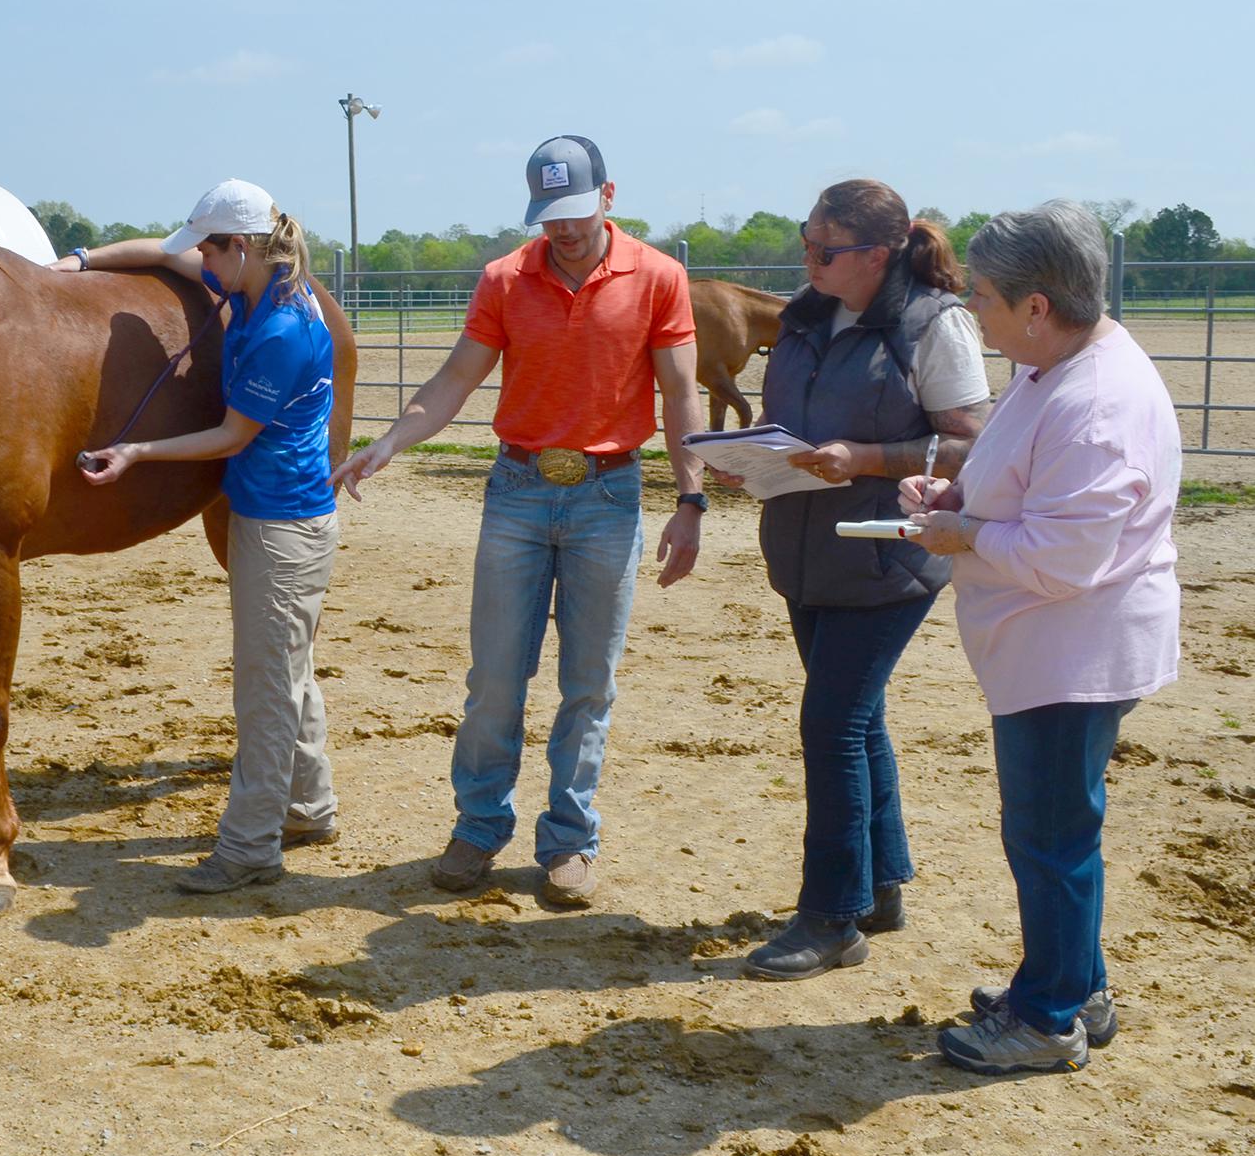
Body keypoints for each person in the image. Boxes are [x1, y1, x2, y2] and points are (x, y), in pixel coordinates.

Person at [332, 135, 705, 906]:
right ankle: (478, 826)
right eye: (547, 216)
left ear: (608, 196)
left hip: (609, 495)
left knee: (588, 683)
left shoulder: (660, 278)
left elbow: (682, 395)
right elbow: (455, 379)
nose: (561, 230)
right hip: (517, 492)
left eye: (573, 212)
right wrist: (390, 442)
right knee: (496, 678)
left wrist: (691, 497)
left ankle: (570, 840)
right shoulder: (505, 279)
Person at [900, 199, 1179, 1075]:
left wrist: (967, 535)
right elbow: (1027, 485)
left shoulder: (1093, 401)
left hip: (1073, 651)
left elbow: (1066, 556)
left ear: (1036, 305)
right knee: (1059, 830)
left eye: (981, 296)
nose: (970, 311)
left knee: (1050, 836)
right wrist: (958, 500)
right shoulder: (1054, 363)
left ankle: (1048, 1017)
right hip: (1056, 646)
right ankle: (1074, 985)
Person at [721, 180, 992, 981]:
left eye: (825, 248)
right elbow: (797, 426)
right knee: (856, 718)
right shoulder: (805, 314)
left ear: (879, 255)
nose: (809, 258)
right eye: (807, 241)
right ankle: (878, 887)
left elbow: (972, 446)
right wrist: (758, 460)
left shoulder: (935, 325)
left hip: (887, 553)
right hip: (805, 548)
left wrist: (865, 459)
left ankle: (830, 917)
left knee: (832, 724)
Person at [57, 181, 339, 894]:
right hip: (278, 516)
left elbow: (229, 435)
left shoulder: (281, 331)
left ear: (239, 247)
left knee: (265, 690)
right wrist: (81, 261)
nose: (200, 265)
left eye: (209, 252)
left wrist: (137, 454)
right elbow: (159, 253)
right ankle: (309, 806)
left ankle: (249, 849)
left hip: (281, 529)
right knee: (288, 672)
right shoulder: (254, 283)